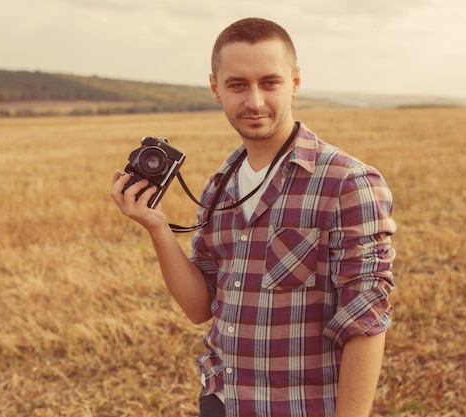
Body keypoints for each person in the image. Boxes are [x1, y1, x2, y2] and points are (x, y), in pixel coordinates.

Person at [111, 17, 396, 417]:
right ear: (216, 89)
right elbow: (200, 307)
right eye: (238, 85)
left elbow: (365, 320)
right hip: (223, 402)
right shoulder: (218, 188)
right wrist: (157, 227)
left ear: (295, 82)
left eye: (270, 82)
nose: (255, 102)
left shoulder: (348, 183)